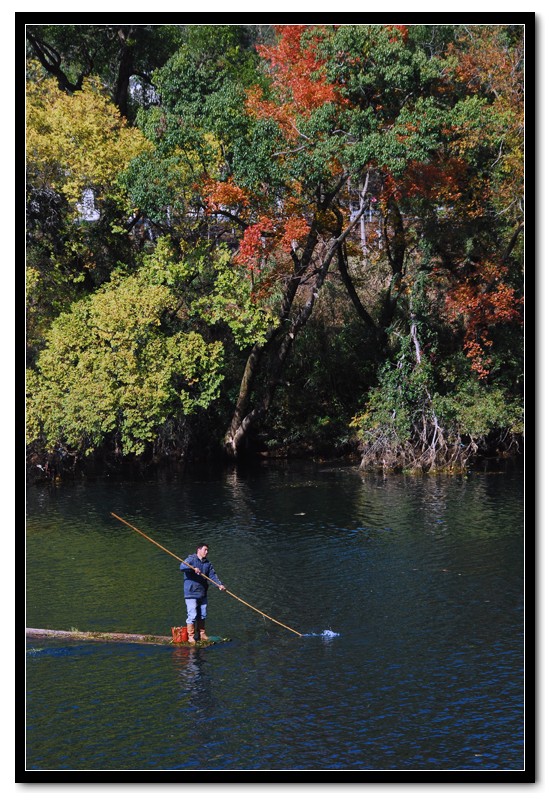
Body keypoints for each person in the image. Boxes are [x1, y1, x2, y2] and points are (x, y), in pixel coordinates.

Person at [180, 543, 225, 643]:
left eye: (207, 550)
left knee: (203, 614)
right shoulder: (191, 559)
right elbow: (182, 566)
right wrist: (192, 568)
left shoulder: (207, 563)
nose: (207, 552)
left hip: (202, 592)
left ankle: (202, 634)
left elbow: (213, 576)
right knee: (192, 614)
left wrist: (219, 585)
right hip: (191, 593)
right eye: (205, 550)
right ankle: (191, 636)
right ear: (199, 550)